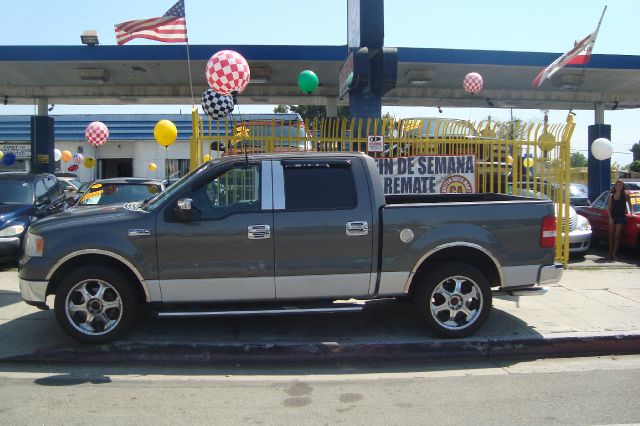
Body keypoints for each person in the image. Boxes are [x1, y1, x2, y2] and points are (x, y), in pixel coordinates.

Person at [607, 180, 631, 260]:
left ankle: (614, 254)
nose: (618, 187)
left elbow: (629, 204)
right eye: (616, 185)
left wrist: (631, 213)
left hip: (621, 217)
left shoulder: (626, 195)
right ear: (615, 186)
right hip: (612, 217)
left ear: (622, 186)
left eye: (620, 185)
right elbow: (609, 208)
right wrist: (610, 218)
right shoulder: (611, 195)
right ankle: (610, 254)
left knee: (617, 236)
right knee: (611, 236)